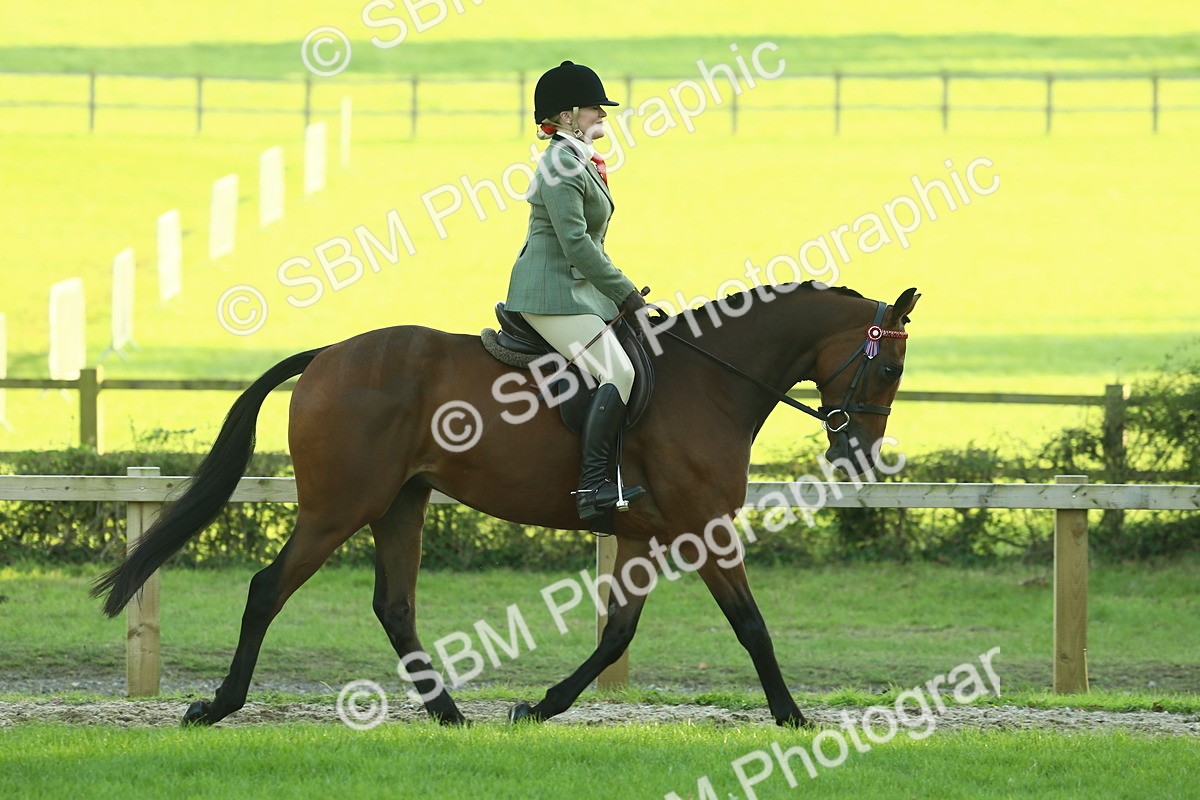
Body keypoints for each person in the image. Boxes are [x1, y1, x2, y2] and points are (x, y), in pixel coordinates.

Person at [505, 60, 648, 521]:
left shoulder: (577, 159)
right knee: (619, 373)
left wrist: (617, 296)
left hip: (575, 291)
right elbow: (577, 243)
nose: (603, 115)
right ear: (567, 116)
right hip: (549, 295)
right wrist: (625, 292)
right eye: (593, 109)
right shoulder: (560, 164)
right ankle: (591, 490)